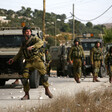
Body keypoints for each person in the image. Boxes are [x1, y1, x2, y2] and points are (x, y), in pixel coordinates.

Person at [8, 26, 53, 100]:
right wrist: (13, 59)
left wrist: (33, 46)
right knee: (24, 78)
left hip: (37, 60)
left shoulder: (34, 38)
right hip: (28, 62)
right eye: (26, 32)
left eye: (29, 31)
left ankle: (47, 91)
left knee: (44, 76)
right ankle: (26, 94)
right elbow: (20, 53)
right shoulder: (23, 43)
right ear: (23, 33)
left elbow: (41, 42)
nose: (28, 33)